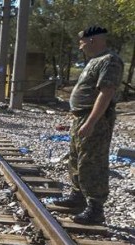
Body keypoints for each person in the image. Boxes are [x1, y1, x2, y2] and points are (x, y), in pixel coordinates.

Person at [53, 26, 123, 225]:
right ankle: (78, 197)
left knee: (91, 162)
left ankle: (95, 208)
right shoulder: (95, 61)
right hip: (82, 117)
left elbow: (106, 93)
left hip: (96, 120)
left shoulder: (110, 60)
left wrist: (91, 121)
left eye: (82, 42)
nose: (80, 46)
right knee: (76, 159)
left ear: (92, 40)